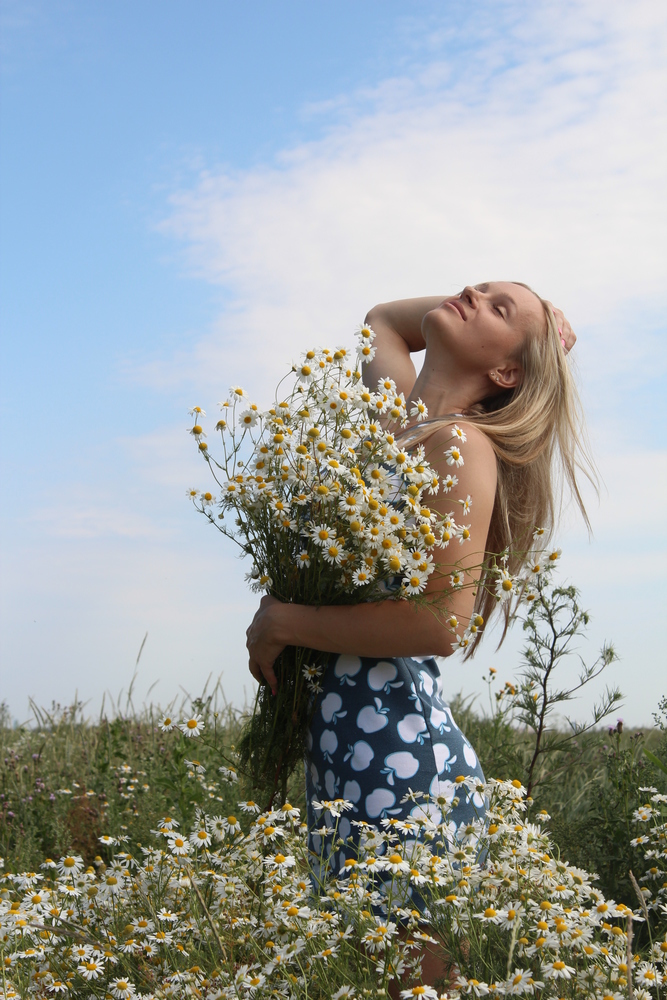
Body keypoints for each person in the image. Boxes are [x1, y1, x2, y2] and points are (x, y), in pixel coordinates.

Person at [245, 282, 588, 984]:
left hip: (396, 756)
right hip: (351, 753)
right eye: (479, 284)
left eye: (497, 310)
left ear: (506, 374)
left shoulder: (457, 441)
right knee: (383, 983)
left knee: (419, 990)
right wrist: (518, 313)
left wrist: (282, 618)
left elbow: (439, 625)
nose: (472, 290)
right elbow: (382, 320)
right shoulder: (397, 422)